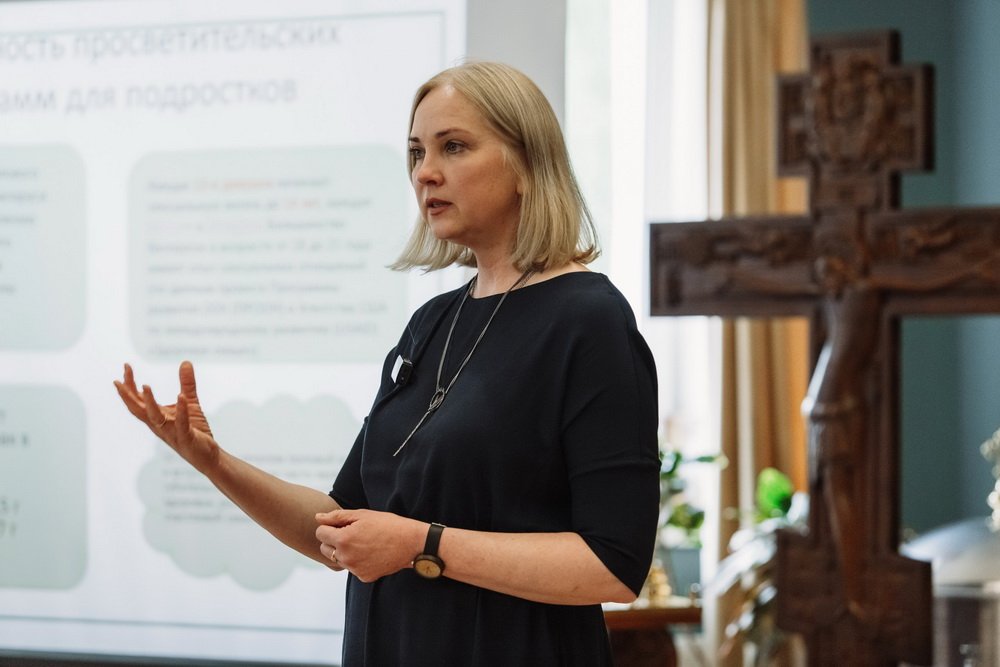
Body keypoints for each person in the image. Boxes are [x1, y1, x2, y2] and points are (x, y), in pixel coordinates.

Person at [115, 61, 660, 666]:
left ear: (527, 165)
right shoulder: (432, 322)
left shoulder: (589, 319)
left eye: (454, 147)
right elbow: (338, 527)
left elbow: (613, 565)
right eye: (416, 152)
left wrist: (422, 545)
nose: (425, 172)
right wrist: (214, 462)